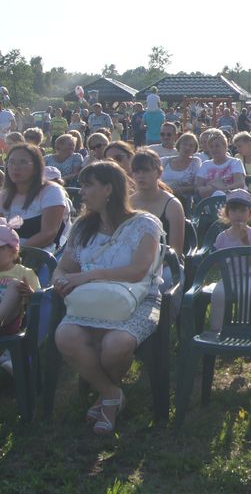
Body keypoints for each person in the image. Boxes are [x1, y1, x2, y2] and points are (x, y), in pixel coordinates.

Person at [51, 161, 163, 435]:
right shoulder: (82, 227)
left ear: (109, 189)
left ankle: (105, 400)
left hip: (137, 300)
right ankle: (111, 394)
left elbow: (138, 271)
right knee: (66, 336)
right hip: (90, 302)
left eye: (88, 185)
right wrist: (60, 281)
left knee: (116, 344)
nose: (81, 192)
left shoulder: (144, 224)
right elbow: (64, 268)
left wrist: (88, 276)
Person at [209, 189, 251, 331]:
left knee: (246, 293)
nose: (238, 215)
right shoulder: (222, 237)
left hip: (249, 277)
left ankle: (245, 327)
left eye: (243, 211)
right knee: (218, 294)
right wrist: (217, 261)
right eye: (234, 210)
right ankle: (217, 329)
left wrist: (246, 242)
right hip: (228, 277)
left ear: (250, 213)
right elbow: (215, 261)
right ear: (227, 213)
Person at [0, 144, 67, 252]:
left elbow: (48, 234)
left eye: (23, 162)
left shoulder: (51, 192)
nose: (15, 167)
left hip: (38, 254)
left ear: (36, 167)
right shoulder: (4, 195)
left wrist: (16, 252)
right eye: (11, 162)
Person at [0, 218, 41, 372]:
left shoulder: (23, 272)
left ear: (13, 251)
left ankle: (10, 355)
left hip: (9, 322)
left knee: (15, 285)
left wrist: (30, 293)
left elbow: (40, 300)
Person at [129, 150, 186, 256]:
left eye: (146, 171)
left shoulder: (173, 205)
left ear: (159, 173)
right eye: (136, 171)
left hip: (164, 261)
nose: (141, 175)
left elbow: (176, 252)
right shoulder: (128, 203)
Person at [195, 130, 245, 199]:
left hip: (232, 200)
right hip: (210, 201)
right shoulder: (205, 165)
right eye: (211, 147)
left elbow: (239, 184)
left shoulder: (235, 162)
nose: (214, 149)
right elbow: (198, 188)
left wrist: (219, 188)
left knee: (219, 193)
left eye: (217, 146)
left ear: (225, 147)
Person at [161, 132, 202, 204]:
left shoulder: (196, 162)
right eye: (185, 144)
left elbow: (198, 186)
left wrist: (182, 189)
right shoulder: (164, 161)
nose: (187, 148)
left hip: (184, 199)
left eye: (191, 145)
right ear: (179, 145)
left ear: (195, 149)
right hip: (163, 195)